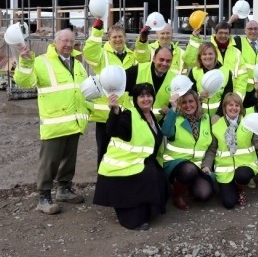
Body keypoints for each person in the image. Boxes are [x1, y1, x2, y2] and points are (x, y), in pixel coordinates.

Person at [14, 29, 90, 215]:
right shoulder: (41, 61)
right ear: (55, 42)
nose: (68, 45)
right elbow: (24, 82)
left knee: (69, 160)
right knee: (49, 162)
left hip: (74, 122)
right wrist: (24, 61)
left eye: (71, 41)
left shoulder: (78, 64)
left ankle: (64, 189)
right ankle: (43, 197)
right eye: (64, 41)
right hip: (55, 123)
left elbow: (83, 90)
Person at [93, 83, 168, 230]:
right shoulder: (128, 114)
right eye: (142, 96)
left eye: (149, 95)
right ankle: (129, 212)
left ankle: (145, 208)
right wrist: (115, 112)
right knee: (149, 176)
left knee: (159, 176)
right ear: (135, 99)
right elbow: (113, 130)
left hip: (139, 163)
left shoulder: (151, 116)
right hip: (122, 168)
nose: (146, 99)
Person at [83, 21, 135, 167]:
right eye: (114, 37)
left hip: (125, 111)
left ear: (125, 37)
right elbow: (89, 52)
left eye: (120, 37)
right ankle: (102, 181)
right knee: (104, 149)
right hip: (105, 113)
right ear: (109, 39)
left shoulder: (132, 56)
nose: (117, 40)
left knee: (123, 148)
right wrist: (97, 31)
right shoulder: (102, 55)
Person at [202, 93, 258, 209]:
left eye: (237, 105)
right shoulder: (216, 126)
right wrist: (206, 165)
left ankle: (240, 189)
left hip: (245, 165)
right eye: (230, 105)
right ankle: (226, 186)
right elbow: (212, 149)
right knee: (229, 203)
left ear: (241, 108)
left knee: (242, 176)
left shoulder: (249, 122)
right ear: (224, 108)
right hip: (225, 170)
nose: (234, 108)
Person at [161, 90, 214, 210]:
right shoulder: (174, 117)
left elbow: (210, 146)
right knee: (188, 169)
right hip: (174, 163)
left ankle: (186, 185)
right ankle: (177, 195)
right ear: (179, 104)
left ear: (197, 102)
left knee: (204, 194)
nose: (188, 105)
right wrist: (173, 109)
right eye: (183, 102)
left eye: (191, 101)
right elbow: (166, 132)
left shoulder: (206, 118)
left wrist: (206, 165)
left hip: (197, 165)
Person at [183, 21, 248, 99]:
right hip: (203, 101)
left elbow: (242, 77)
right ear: (215, 33)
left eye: (226, 33)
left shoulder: (236, 52)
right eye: (220, 33)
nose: (223, 35)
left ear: (229, 34)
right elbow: (190, 60)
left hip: (229, 99)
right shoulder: (208, 49)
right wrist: (195, 38)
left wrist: (237, 99)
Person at [228, 16, 258, 107]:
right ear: (245, 31)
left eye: (255, 29)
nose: (253, 31)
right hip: (243, 89)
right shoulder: (238, 42)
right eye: (250, 29)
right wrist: (230, 21)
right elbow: (223, 36)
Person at [187, 42, 233, 124]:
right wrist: (198, 97)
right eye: (204, 54)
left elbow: (228, 97)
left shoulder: (225, 72)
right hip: (198, 116)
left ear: (215, 55)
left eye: (210, 54)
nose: (207, 56)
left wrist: (219, 115)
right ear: (200, 57)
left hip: (220, 118)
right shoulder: (194, 72)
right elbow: (189, 95)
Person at [125, 47, 175, 122]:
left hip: (157, 124)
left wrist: (170, 110)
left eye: (168, 61)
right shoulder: (136, 70)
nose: (164, 63)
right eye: (161, 60)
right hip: (132, 120)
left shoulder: (174, 79)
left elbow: (177, 104)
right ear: (154, 58)